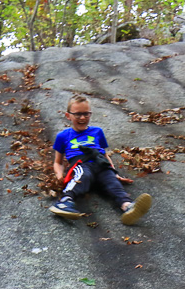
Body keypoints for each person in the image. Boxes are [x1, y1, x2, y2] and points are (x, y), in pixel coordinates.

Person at [50, 94, 152, 225]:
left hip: (100, 164)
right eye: (78, 114)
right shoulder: (63, 135)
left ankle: (127, 206)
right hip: (81, 163)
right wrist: (59, 176)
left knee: (112, 183)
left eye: (86, 114)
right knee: (83, 176)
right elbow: (57, 162)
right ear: (68, 115)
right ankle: (64, 202)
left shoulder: (97, 131)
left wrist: (115, 173)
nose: (82, 118)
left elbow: (104, 155)